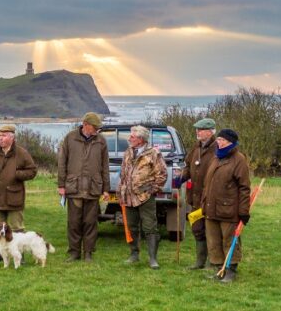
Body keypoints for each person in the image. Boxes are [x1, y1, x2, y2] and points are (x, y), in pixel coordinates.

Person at [57, 112, 110, 262]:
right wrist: (61, 185)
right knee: (74, 223)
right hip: (74, 188)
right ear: (85, 125)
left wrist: (106, 188)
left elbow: (105, 166)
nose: (97, 130)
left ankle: (88, 253)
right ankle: (74, 252)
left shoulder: (101, 141)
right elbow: (62, 162)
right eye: (95, 127)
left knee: (90, 223)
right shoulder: (70, 138)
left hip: (93, 189)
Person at [201, 128, 251, 284]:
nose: (218, 142)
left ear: (230, 142)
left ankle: (230, 270)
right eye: (218, 139)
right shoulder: (216, 157)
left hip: (229, 209)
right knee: (213, 240)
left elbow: (244, 188)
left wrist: (243, 211)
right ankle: (219, 269)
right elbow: (208, 183)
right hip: (211, 208)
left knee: (230, 240)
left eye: (222, 140)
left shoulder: (239, 159)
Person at [0, 124, 38, 262]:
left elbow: (32, 171)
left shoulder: (22, 153)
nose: (0, 139)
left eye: (4, 136)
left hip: (14, 198)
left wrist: (17, 174)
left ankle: (20, 256)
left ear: (12, 137)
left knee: (17, 228)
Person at [119, 125, 168, 269]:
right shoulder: (128, 152)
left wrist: (152, 190)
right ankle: (134, 254)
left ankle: (153, 259)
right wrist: (121, 192)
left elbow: (162, 174)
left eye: (132, 137)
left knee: (149, 227)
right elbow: (123, 174)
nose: (129, 139)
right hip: (128, 197)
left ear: (141, 139)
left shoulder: (153, 153)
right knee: (132, 226)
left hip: (145, 197)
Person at [174, 118, 217, 270]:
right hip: (196, 198)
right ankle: (200, 262)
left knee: (212, 231)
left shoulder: (217, 148)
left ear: (211, 131)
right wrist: (181, 178)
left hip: (212, 199)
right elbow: (188, 165)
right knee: (198, 229)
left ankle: (212, 263)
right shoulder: (196, 147)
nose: (197, 132)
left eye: (201, 129)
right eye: (197, 129)